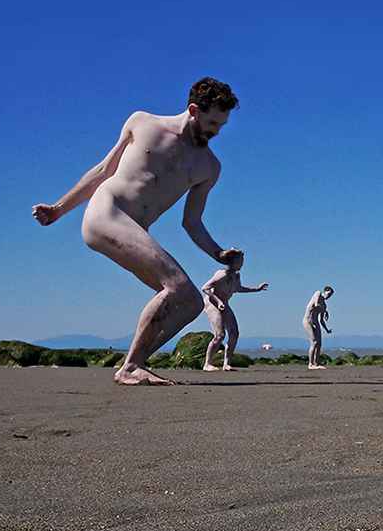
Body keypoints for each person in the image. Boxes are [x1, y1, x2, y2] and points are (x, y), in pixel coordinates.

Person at [32, 77, 241, 386]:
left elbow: (192, 222)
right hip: (107, 212)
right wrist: (59, 209)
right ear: (193, 109)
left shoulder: (208, 166)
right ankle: (131, 366)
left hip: (133, 231)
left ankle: (135, 362)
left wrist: (219, 253)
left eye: (221, 125)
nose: (216, 132)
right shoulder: (144, 123)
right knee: (176, 284)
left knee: (192, 302)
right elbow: (104, 171)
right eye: (212, 122)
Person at [201, 252, 268, 371]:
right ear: (232, 262)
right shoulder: (222, 275)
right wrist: (218, 301)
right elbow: (205, 288)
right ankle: (207, 364)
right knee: (220, 335)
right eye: (240, 261)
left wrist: (256, 289)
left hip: (224, 303)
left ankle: (226, 364)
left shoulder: (236, 275)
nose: (242, 263)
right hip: (212, 303)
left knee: (234, 333)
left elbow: (238, 289)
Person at [303, 287, 335, 369]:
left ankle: (316, 363)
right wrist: (325, 311)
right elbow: (316, 305)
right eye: (328, 294)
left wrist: (327, 329)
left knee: (319, 344)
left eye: (330, 295)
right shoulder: (318, 294)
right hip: (308, 321)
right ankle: (310, 364)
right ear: (324, 291)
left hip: (316, 322)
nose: (328, 296)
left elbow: (321, 320)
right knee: (314, 342)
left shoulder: (324, 306)